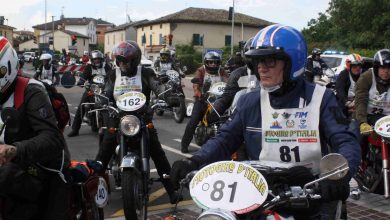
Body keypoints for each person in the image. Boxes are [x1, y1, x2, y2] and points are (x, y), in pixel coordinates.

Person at [170, 24, 361, 219]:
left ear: (291, 63)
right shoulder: (249, 101)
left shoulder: (322, 98)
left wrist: (339, 176)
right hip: (260, 191)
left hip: (312, 192)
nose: (261, 68)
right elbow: (225, 139)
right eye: (257, 61)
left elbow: (345, 140)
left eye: (269, 61)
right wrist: (194, 161)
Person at [96, 40, 181, 204]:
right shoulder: (114, 74)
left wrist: (168, 96)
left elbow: (157, 87)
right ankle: (91, 189)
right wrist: (102, 99)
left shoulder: (145, 73)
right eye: (119, 60)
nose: (122, 64)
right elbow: (107, 90)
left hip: (142, 118)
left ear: (135, 60)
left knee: (157, 152)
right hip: (119, 118)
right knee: (104, 150)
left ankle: (172, 191)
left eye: (125, 60)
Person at [0, 37, 70, 219]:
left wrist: (14, 149)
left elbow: (52, 138)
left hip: (40, 164)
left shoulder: (31, 91)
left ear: (5, 68)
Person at [180, 51, 229, 153]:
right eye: (211, 62)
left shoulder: (222, 71)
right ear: (206, 62)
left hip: (219, 99)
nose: (213, 64)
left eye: (215, 62)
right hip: (203, 99)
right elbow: (196, 83)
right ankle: (184, 144)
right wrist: (198, 92)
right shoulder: (201, 70)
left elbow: (228, 81)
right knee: (193, 121)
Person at [68, 50, 113, 137]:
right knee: (82, 106)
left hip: (104, 90)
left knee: (111, 105)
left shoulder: (107, 67)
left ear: (102, 59)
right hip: (91, 90)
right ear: (92, 60)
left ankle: (112, 128)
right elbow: (84, 77)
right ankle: (75, 129)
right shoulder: (89, 67)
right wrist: (82, 82)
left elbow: (111, 77)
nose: (97, 61)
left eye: (98, 59)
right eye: (95, 59)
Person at [355, 49, 390, 134]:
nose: (386, 71)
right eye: (383, 68)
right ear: (376, 68)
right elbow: (361, 100)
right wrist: (362, 122)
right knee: (353, 136)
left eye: (389, 68)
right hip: (366, 115)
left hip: (386, 119)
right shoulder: (366, 77)